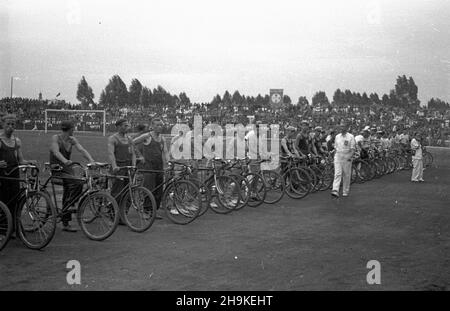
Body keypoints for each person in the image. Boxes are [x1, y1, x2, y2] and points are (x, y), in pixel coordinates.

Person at [50, 120, 95, 232]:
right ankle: (69, 208)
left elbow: (82, 150)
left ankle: (69, 206)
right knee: (76, 182)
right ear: (69, 129)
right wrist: (65, 161)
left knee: (79, 180)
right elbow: (56, 152)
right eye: (73, 128)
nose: (74, 130)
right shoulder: (56, 138)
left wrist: (91, 160)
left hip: (67, 169)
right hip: (57, 169)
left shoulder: (72, 140)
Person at [0, 114, 35, 238]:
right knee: (3, 201)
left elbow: (21, 160)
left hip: (14, 174)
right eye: (8, 124)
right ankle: (3, 230)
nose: (10, 127)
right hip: (2, 175)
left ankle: (12, 229)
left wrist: (29, 163)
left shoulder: (17, 141)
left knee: (14, 201)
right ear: (2, 124)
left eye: (13, 124)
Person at [133, 118, 170, 216]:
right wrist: (140, 156)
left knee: (159, 189)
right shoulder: (147, 136)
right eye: (157, 125)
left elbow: (165, 151)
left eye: (161, 125)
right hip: (149, 166)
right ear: (152, 126)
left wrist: (168, 161)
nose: (159, 127)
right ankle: (146, 210)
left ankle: (153, 211)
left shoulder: (162, 138)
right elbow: (132, 143)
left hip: (159, 166)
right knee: (149, 188)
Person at [108, 119, 136, 222]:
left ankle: (123, 215)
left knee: (128, 192)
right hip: (119, 167)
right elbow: (111, 154)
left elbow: (133, 154)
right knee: (117, 192)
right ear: (118, 127)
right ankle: (113, 214)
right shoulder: (113, 139)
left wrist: (133, 166)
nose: (127, 128)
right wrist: (114, 166)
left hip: (128, 167)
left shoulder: (129, 139)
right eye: (125, 126)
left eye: (127, 126)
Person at [331, 121, 356, 198]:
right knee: (337, 173)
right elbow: (335, 148)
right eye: (340, 126)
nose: (341, 128)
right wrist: (334, 156)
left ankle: (345, 191)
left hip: (346, 156)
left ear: (347, 128)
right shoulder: (337, 136)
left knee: (346, 175)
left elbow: (352, 149)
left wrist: (349, 157)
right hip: (338, 156)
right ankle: (335, 190)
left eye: (343, 126)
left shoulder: (351, 137)